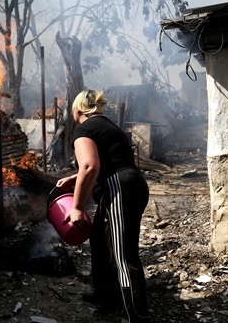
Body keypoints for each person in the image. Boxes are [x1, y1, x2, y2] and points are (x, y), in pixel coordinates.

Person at [56, 89, 150, 323]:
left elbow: (89, 166)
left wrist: (77, 207)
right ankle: (105, 298)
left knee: (122, 253)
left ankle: (135, 315)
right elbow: (105, 161)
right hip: (127, 183)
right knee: (99, 239)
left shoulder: (83, 129)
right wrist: (74, 178)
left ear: (77, 110)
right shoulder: (105, 124)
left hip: (120, 188)